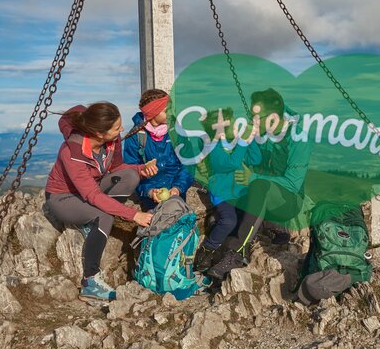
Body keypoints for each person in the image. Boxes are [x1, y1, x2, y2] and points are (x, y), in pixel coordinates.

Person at [44, 102, 158, 301]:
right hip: (63, 197)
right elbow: (94, 196)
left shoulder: (112, 141)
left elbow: (117, 167)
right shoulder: (73, 153)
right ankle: (90, 282)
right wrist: (134, 215)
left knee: (131, 176)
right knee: (104, 216)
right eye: (116, 128)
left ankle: (94, 220)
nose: (121, 129)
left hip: (91, 188)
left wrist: (141, 169)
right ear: (99, 133)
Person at [207, 88, 311, 280]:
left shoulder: (298, 139)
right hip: (264, 194)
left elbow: (293, 183)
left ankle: (237, 253)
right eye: (251, 116)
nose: (252, 121)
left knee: (259, 186)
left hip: (289, 201)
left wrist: (253, 178)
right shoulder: (265, 131)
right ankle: (270, 226)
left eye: (257, 117)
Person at [191, 107, 263, 273]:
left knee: (249, 217)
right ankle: (206, 252)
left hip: (240, 192)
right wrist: (243, 143)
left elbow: (256, 159)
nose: (237, 127)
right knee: (229, 220)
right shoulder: (213, 146)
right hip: (222, 195)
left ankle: (236, 250)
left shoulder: (235, 142)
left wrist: (251, 139)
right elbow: (229, 164)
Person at [123, 89, 195, 210]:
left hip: (175, 188)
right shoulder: (136, 136)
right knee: (157, 223)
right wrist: (149, 191)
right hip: (150, 190)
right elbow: (131, 168)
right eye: (167, 110)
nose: (172, 113)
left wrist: (178, 187)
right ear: (153, 113)